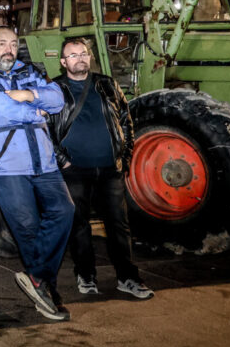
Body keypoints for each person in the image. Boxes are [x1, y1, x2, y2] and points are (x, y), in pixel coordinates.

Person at [0, 27, 75, 321]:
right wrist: (34, 111)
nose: (8, 49)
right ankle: (47, 291)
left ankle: (37, 277)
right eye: (1, 43)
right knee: (27, 228)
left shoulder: (31, 71)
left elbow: (57, 100)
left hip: (44, 162)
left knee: (64, 211)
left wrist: (27, 94)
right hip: (8, 164)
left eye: (13, 44)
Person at [49, 37, 154, 300]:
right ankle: (86, 275)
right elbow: (43, 130)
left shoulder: (106, 84)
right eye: (72, 55)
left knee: (119, 226)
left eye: (83, 53)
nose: (79, 58)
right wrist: (61, 159)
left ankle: (128, 278)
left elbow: (125, 120)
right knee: (79, 226)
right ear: (63, 62)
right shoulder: (54, 89)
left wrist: (125, 156)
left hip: (110, 169)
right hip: (74, 170)